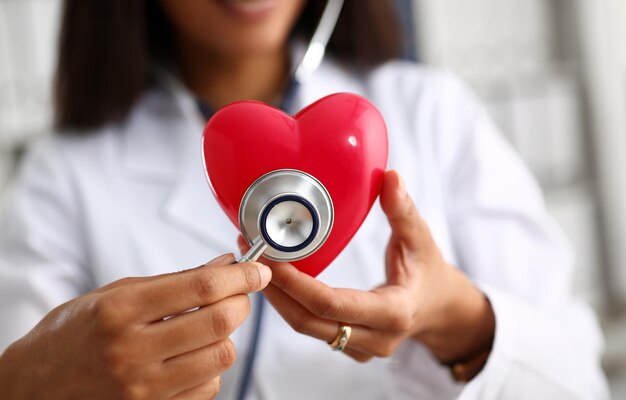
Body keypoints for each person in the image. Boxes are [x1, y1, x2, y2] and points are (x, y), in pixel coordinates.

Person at [0, 0, 609, 399]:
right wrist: (29, 383)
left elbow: (580, 383)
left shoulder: (431, 114)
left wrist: (461, 323)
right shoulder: (63, 176)